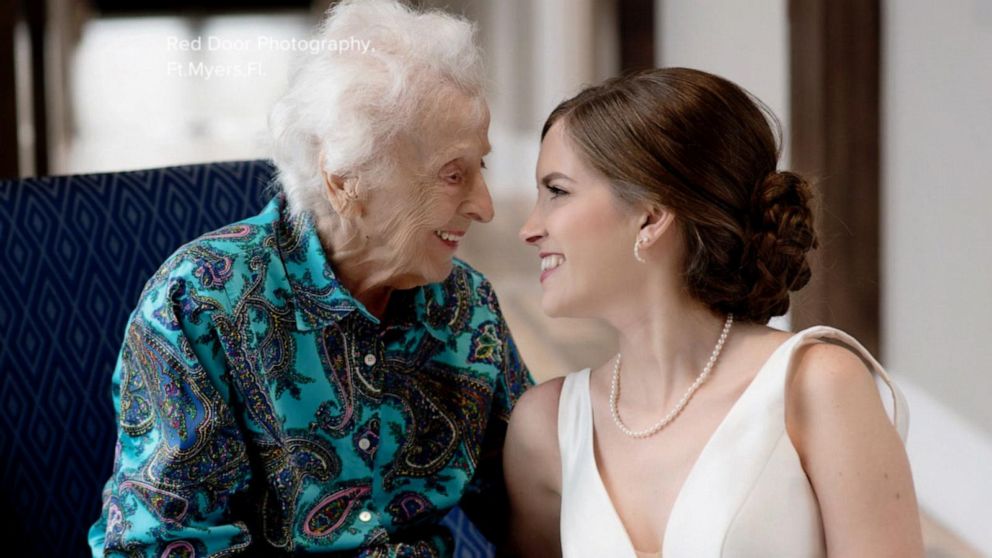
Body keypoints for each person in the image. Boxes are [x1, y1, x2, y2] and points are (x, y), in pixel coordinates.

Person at [88, 1, 532, 555]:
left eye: (480, 168)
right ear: (345, 179)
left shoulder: (466, 306)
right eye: (452, 175)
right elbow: (166, 542)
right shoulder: (202, 303)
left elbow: (534, 490)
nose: (486, 207)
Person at [504, 67, 924, 557]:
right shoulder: (546, 427)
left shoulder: (814, 386)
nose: (529, 228)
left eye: (556, 191)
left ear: (651, 216)